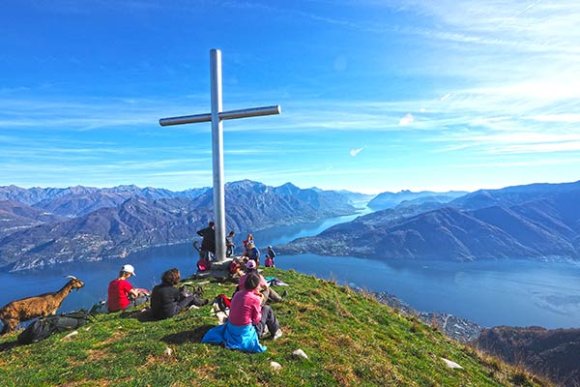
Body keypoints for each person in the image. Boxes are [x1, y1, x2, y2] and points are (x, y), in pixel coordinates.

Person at [201, 273, 282, 353]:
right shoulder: (255, 299)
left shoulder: (237, 294)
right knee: (267, 309)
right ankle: (276, 331)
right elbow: (256, 320)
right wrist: (259, 304)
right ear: (257, 286)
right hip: (245, 334)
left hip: (231, 331)